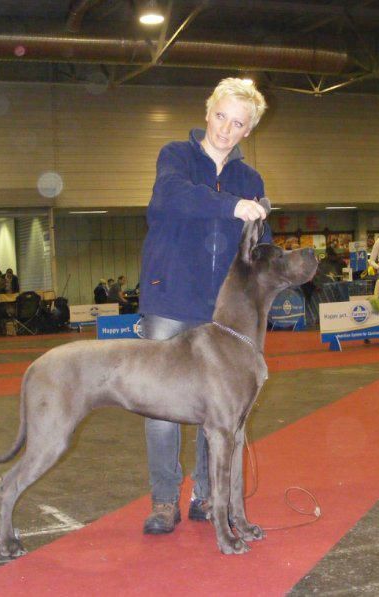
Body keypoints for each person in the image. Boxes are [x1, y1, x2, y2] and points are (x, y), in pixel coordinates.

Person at [138, 77, 271, 534]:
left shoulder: (251, 180)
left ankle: (205, 495)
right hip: (168, 297)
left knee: (215, 407)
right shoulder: (175, 156)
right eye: (221, 117)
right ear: (208, 111)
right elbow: (171, 197)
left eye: (238, 124)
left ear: (248, 130)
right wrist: (233, 207)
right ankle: (163, 500)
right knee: (160, 406)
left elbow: (258, 252)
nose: (225, 130)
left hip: (220, 311)